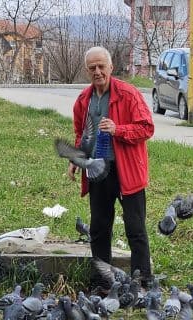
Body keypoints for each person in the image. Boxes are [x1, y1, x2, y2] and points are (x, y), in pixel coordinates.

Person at [68, 46, 155, 291]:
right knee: (98, 228)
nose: (97, 72)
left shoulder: (128, 94)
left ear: (111, 68)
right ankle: (102, 283)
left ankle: (143, 283)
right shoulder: (83, 100)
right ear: (87, 70)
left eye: (101, 67)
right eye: (92, 68)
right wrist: (76, 159)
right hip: (98, 171)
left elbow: (147, 128)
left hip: (128, 172)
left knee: (135, 228)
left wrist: (119, 130)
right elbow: (81, 134)